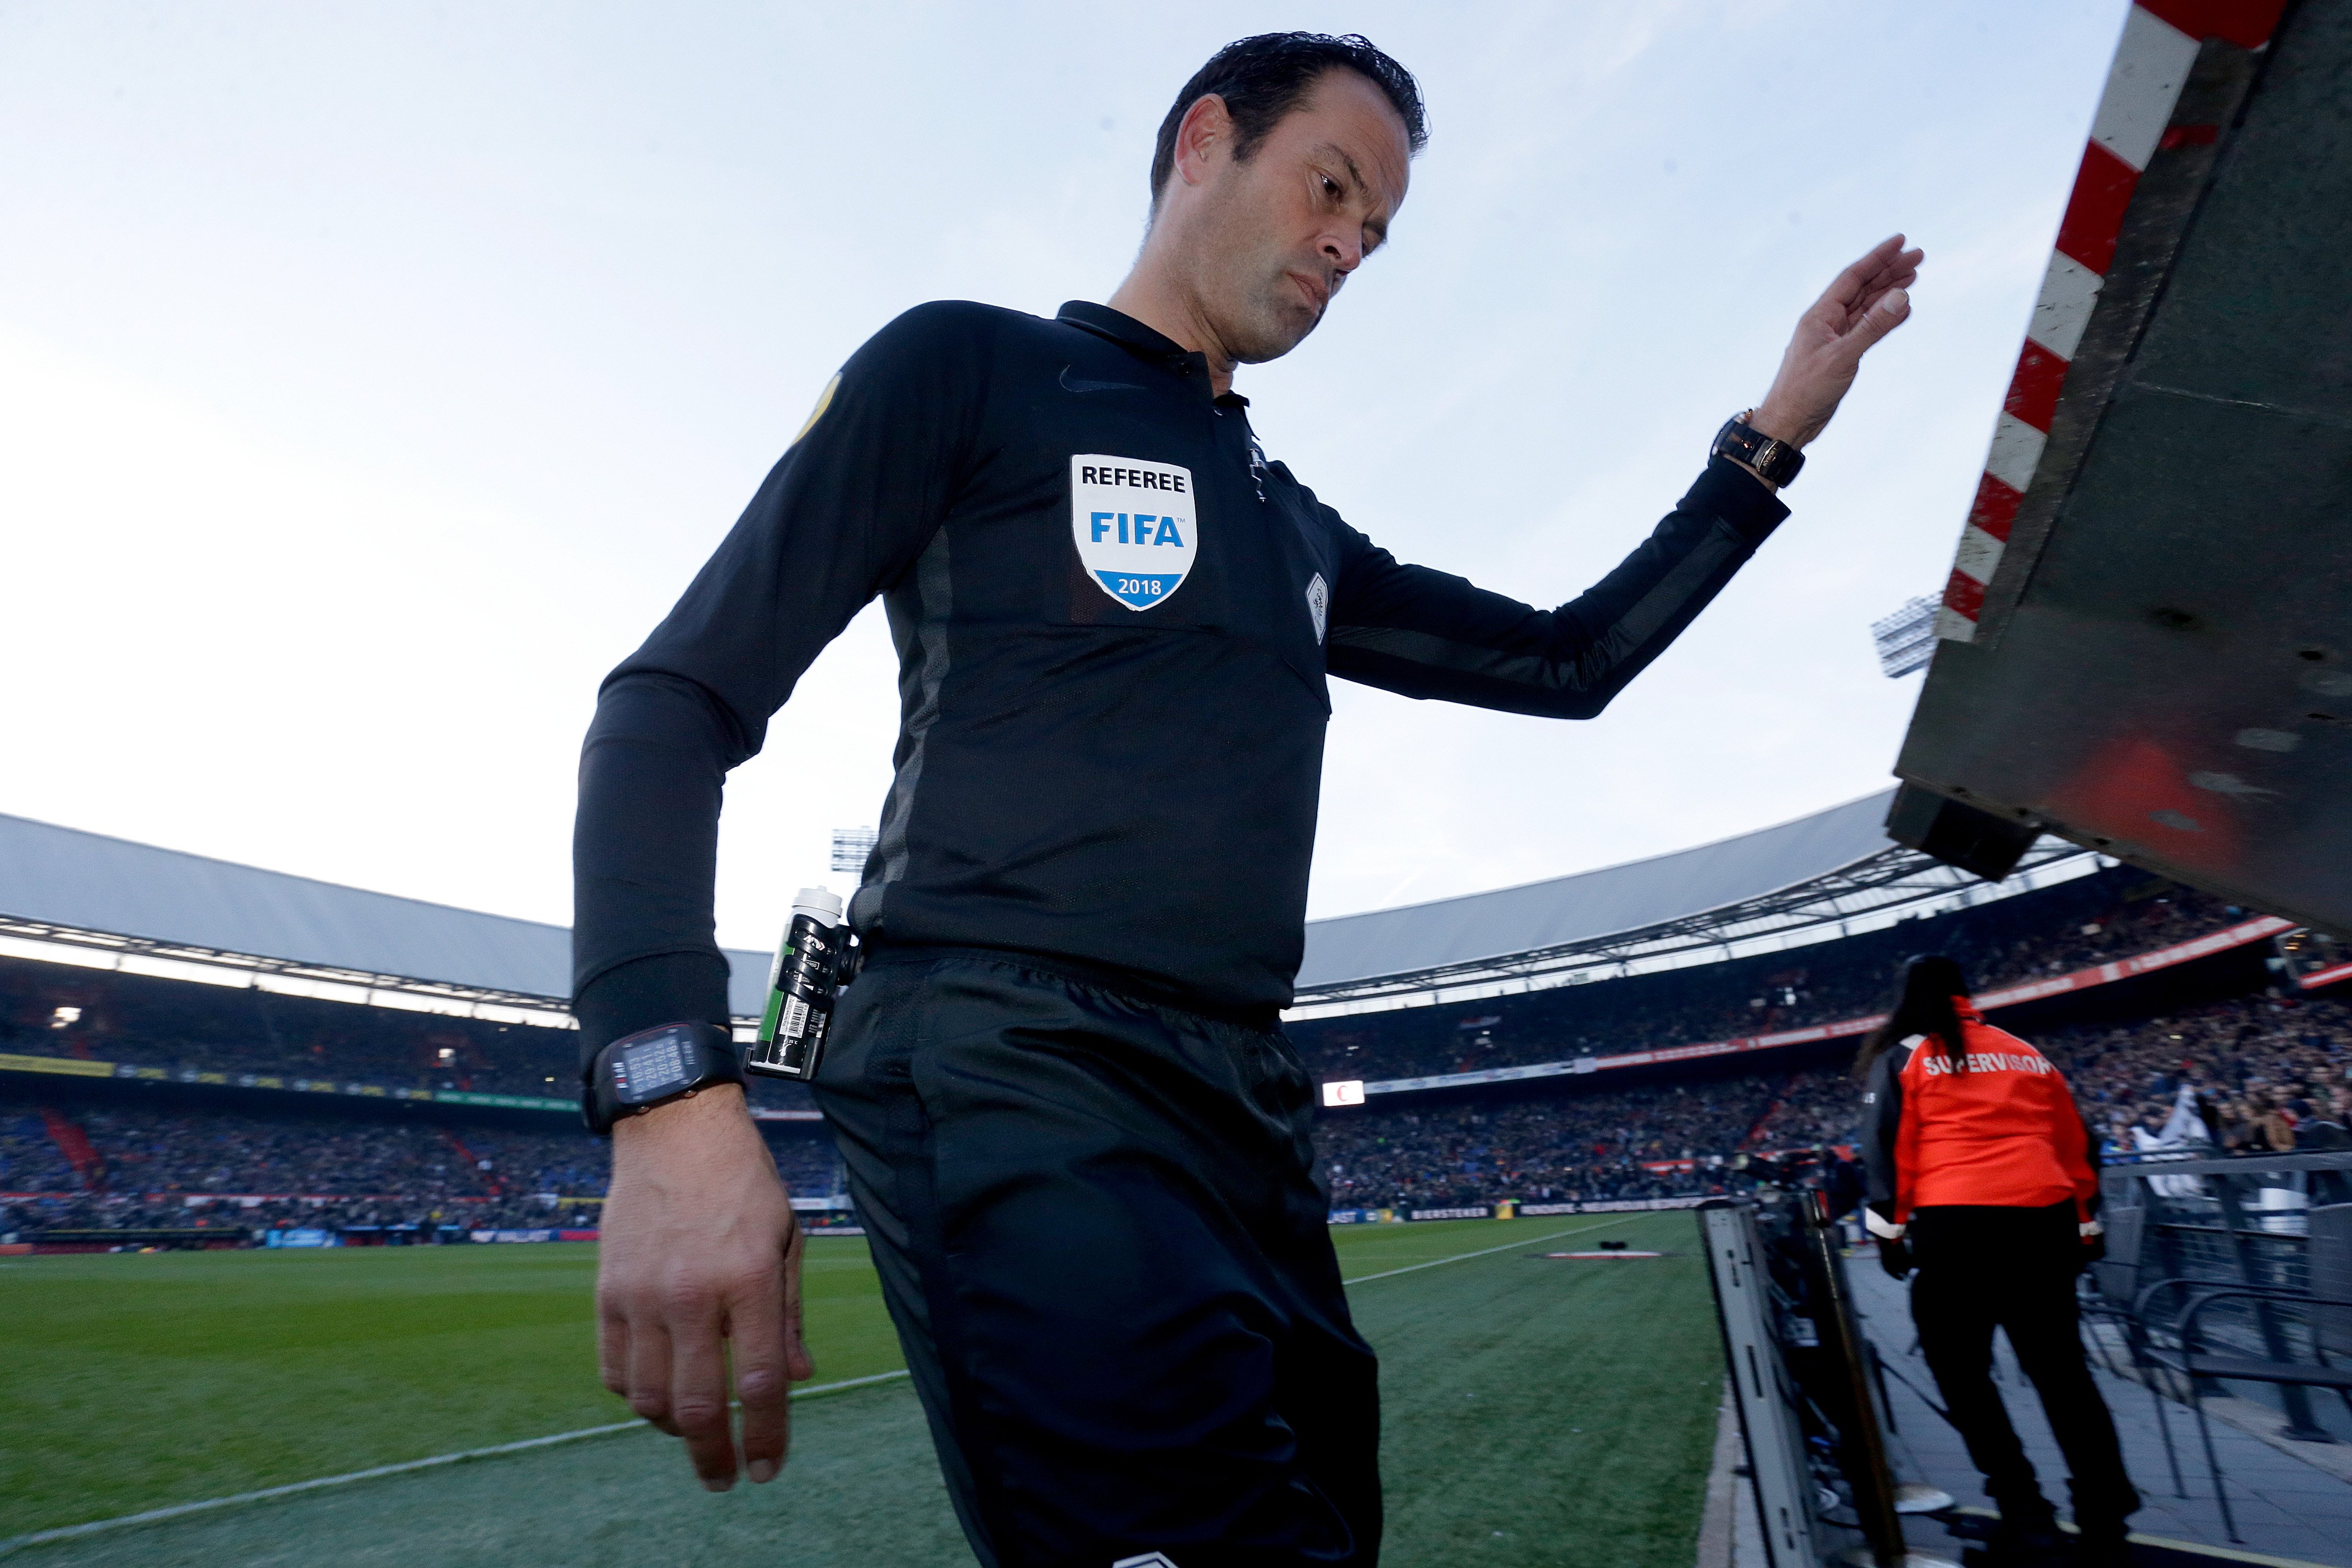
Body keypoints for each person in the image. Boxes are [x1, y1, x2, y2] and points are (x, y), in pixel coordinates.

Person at [574, 31, 1921, 1567]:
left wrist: (1770, 442)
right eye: (1329, 185)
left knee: (1327, 1530)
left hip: (1244, 1097)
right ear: (1205, 140)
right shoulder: (968, 368)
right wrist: (668, 1086)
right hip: (1009, 1052)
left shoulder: (1294, 524)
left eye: (1374, 230)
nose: (1346, 243)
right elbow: (670, 700)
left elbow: (1573, 660)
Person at [1860, 955, 2138, 1566]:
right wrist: (2085, 1222)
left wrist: (1888, 1234)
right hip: (2042, 1223)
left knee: (1962, 1374)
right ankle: (2105, 1513)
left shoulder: (1905, 1055)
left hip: (1955, 1227)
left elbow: (1885, 1149)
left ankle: (2024, 1510)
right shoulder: (2023, 1052)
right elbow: (2076, 1143)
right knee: (2064, 1377)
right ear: (1966, 993)